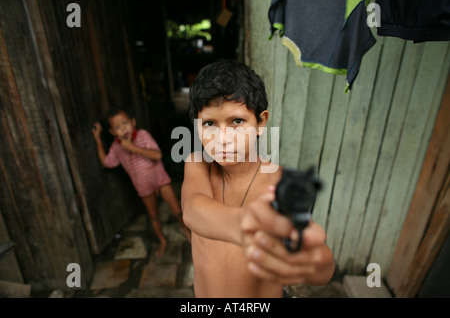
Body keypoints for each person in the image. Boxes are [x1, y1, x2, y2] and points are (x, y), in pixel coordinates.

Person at [181, 59, 335, 298]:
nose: (223, 139)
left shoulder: (281, 182)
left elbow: (322, 268)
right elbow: (193, 209)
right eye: (210, 123)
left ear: (261, 122)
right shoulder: (198, 164)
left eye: (237, 122)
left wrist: (312, 260)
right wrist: (247, 225)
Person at [92, 107, 191, 256]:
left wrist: (132, 147)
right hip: (143, 187)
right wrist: (98, 140)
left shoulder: (142, 136)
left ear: (133, 122)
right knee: (154, 216)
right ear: (113, 133)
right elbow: (106, 163)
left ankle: (186, 230)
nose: (123, 128)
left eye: (125, 123)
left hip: (160, 180)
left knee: (177, 211)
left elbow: (157, 155)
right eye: (118, 127)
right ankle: (162, 241)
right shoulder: (116, 147)